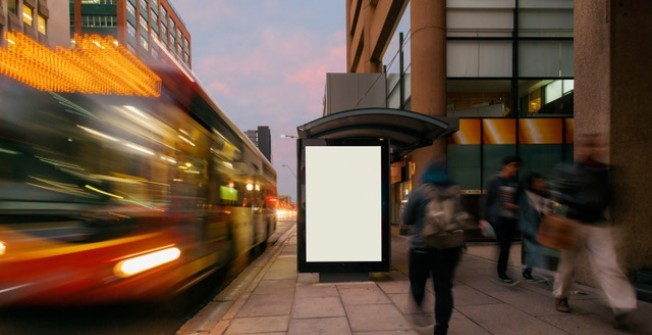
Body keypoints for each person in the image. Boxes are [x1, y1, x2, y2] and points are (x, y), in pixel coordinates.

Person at [550, 133, 637, 331]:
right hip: (575, 223)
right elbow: (561, 195)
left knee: (609, 266)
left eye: (597, 146)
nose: (594, 149)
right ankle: (561, 295)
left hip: (598, 224)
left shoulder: (606, 171)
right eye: (590, 146)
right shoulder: (570, 170)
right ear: (581, 148)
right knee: (567, 264)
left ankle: (622, 308)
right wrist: (581, 206)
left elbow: (612, 197)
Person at [401, 161, 468, 335]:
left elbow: (407, 218)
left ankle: (422, 314)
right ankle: (441, 328)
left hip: (421, 248)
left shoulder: (420, 191)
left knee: (417, 283)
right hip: (450, 247)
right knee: (444, 288)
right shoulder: (455, 192)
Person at [480, 156, 522, 284]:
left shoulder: (515, 182)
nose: (515, 169)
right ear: (506, 166)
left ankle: (503, 270)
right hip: (498, 219)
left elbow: (520, 199)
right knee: (504, 246)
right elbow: (486, 200)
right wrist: (483, 218)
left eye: (517, 166)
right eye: (513, 165)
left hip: (511, 218)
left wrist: (516, 207)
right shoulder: (495, 181)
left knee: (506, 246)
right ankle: (502, 273)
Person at [517, 172, 557, 281]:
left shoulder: (547, 194)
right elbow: (523, 213)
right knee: (537, 250)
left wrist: (547, 199)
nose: (540, 183)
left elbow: (550, 211)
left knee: (533, 251)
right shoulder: (526, 195)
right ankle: (546, 276)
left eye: (541, 181)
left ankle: (527, 271)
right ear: (531, 184)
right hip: (528, 227)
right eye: (537, 182)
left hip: (541, 227)